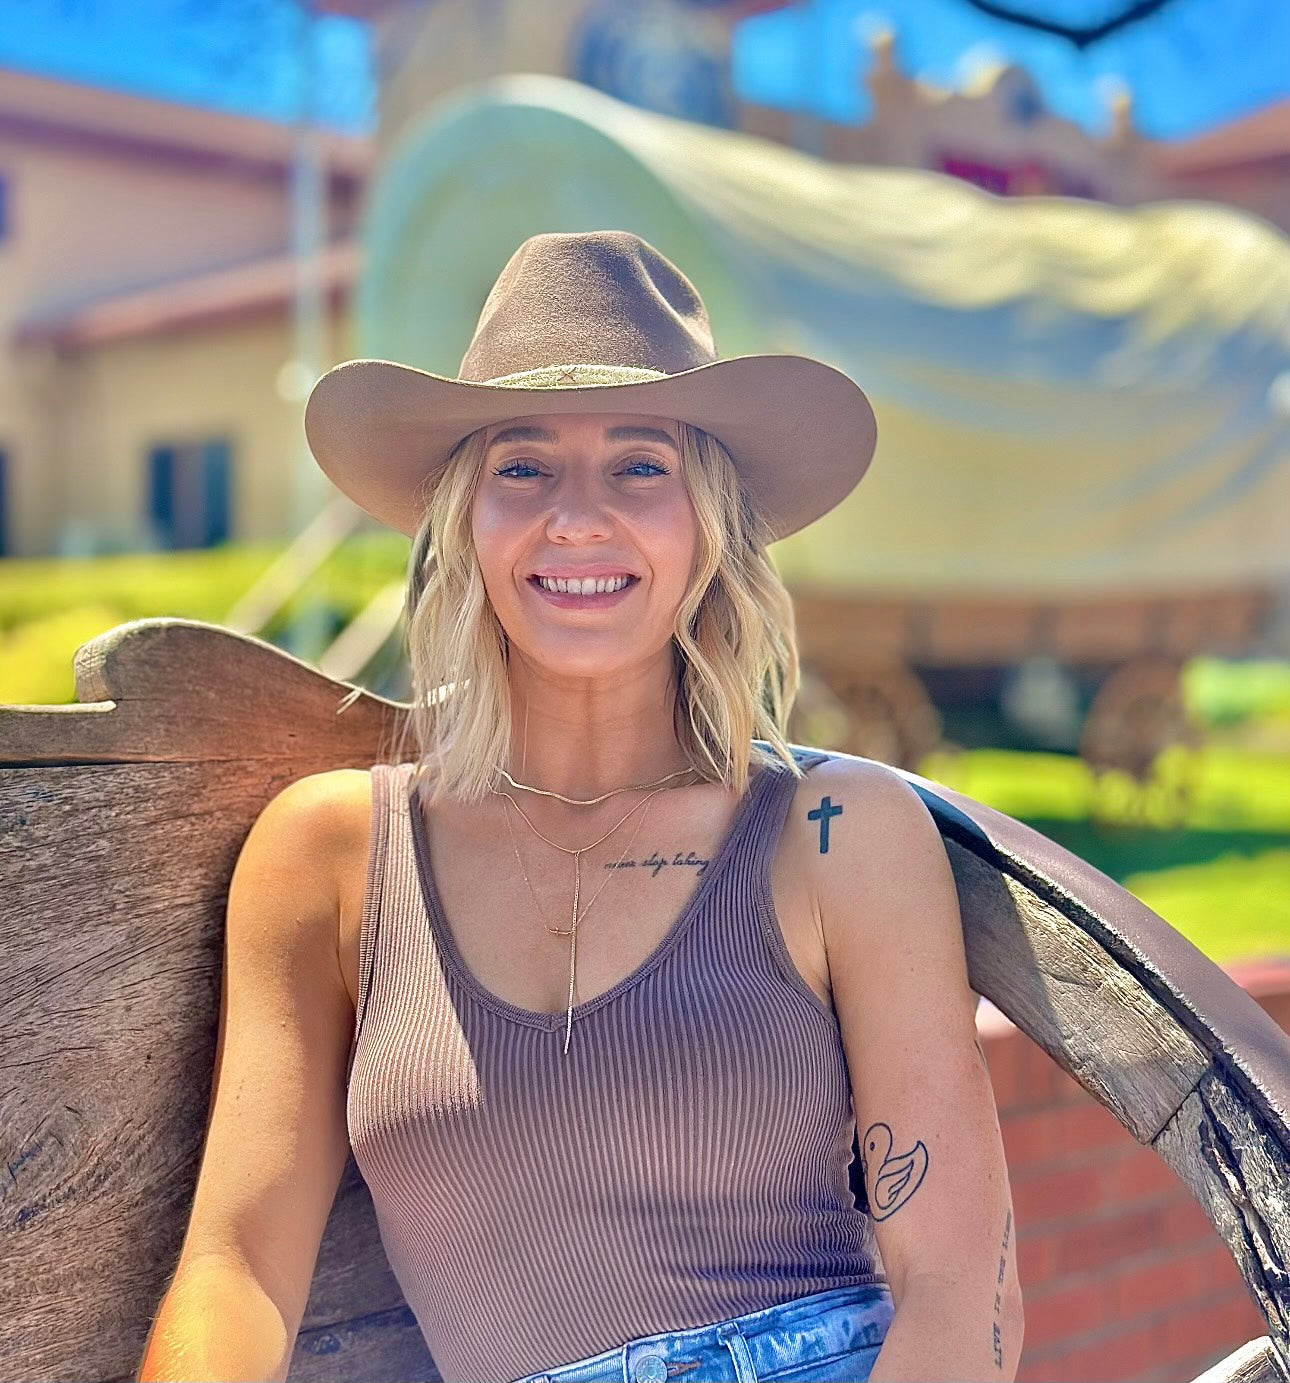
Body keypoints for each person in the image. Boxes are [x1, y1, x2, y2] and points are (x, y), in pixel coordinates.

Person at [136, 231, 1022, 1383]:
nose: (578, 517)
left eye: (642, 466)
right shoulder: (333, 854)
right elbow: (240, 1264)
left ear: (710, 526)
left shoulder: (836, 836)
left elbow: (962, 1295)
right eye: (523, 465)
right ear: (464, 519)